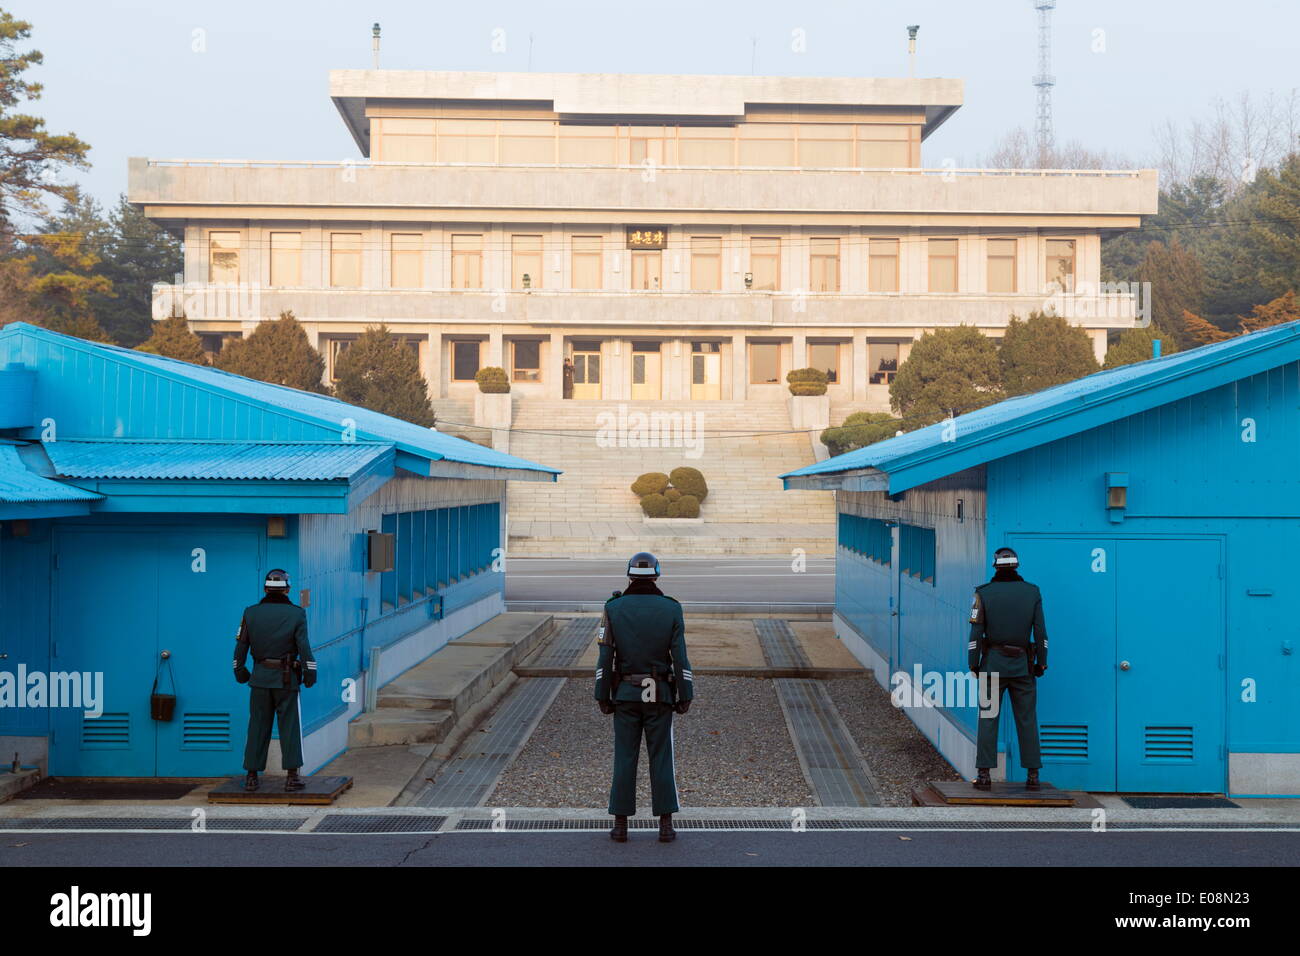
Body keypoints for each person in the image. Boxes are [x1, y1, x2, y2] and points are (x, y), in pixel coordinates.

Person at [594, 551, 694, 843]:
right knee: (661, 757)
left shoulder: (614, 607)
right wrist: (685, 693)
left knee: (625, 757)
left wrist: (602, 694)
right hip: (660, 694)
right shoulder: (671, 609)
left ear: (628, 576)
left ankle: (621, 824)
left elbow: (605, 655)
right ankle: (665, 824)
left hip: (625, 693)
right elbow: (680, 657)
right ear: (657, 576)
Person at [968, 547, 1048, 791]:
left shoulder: (983, 593)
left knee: (988, 718)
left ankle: (984, 775)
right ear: (1016, 566)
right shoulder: (1032, 592)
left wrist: (973, 663)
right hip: (1023, 666)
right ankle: (1033, 775)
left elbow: (975, 633)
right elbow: (1041, 632)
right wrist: (1041, 662)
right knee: (1026, 719)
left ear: (995, 566)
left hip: (992, 665)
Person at [233, 569, 316, 792]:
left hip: (259, 679)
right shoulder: (297, 614)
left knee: (258, 726)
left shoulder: (250, 613)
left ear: (265, 589)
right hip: (286, 680)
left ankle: (251, 776)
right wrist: (310, 672)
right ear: (287, 589)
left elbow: (241, 645)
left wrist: (240, 671)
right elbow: (304, 647)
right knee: (289, 727)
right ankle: (291, 777)